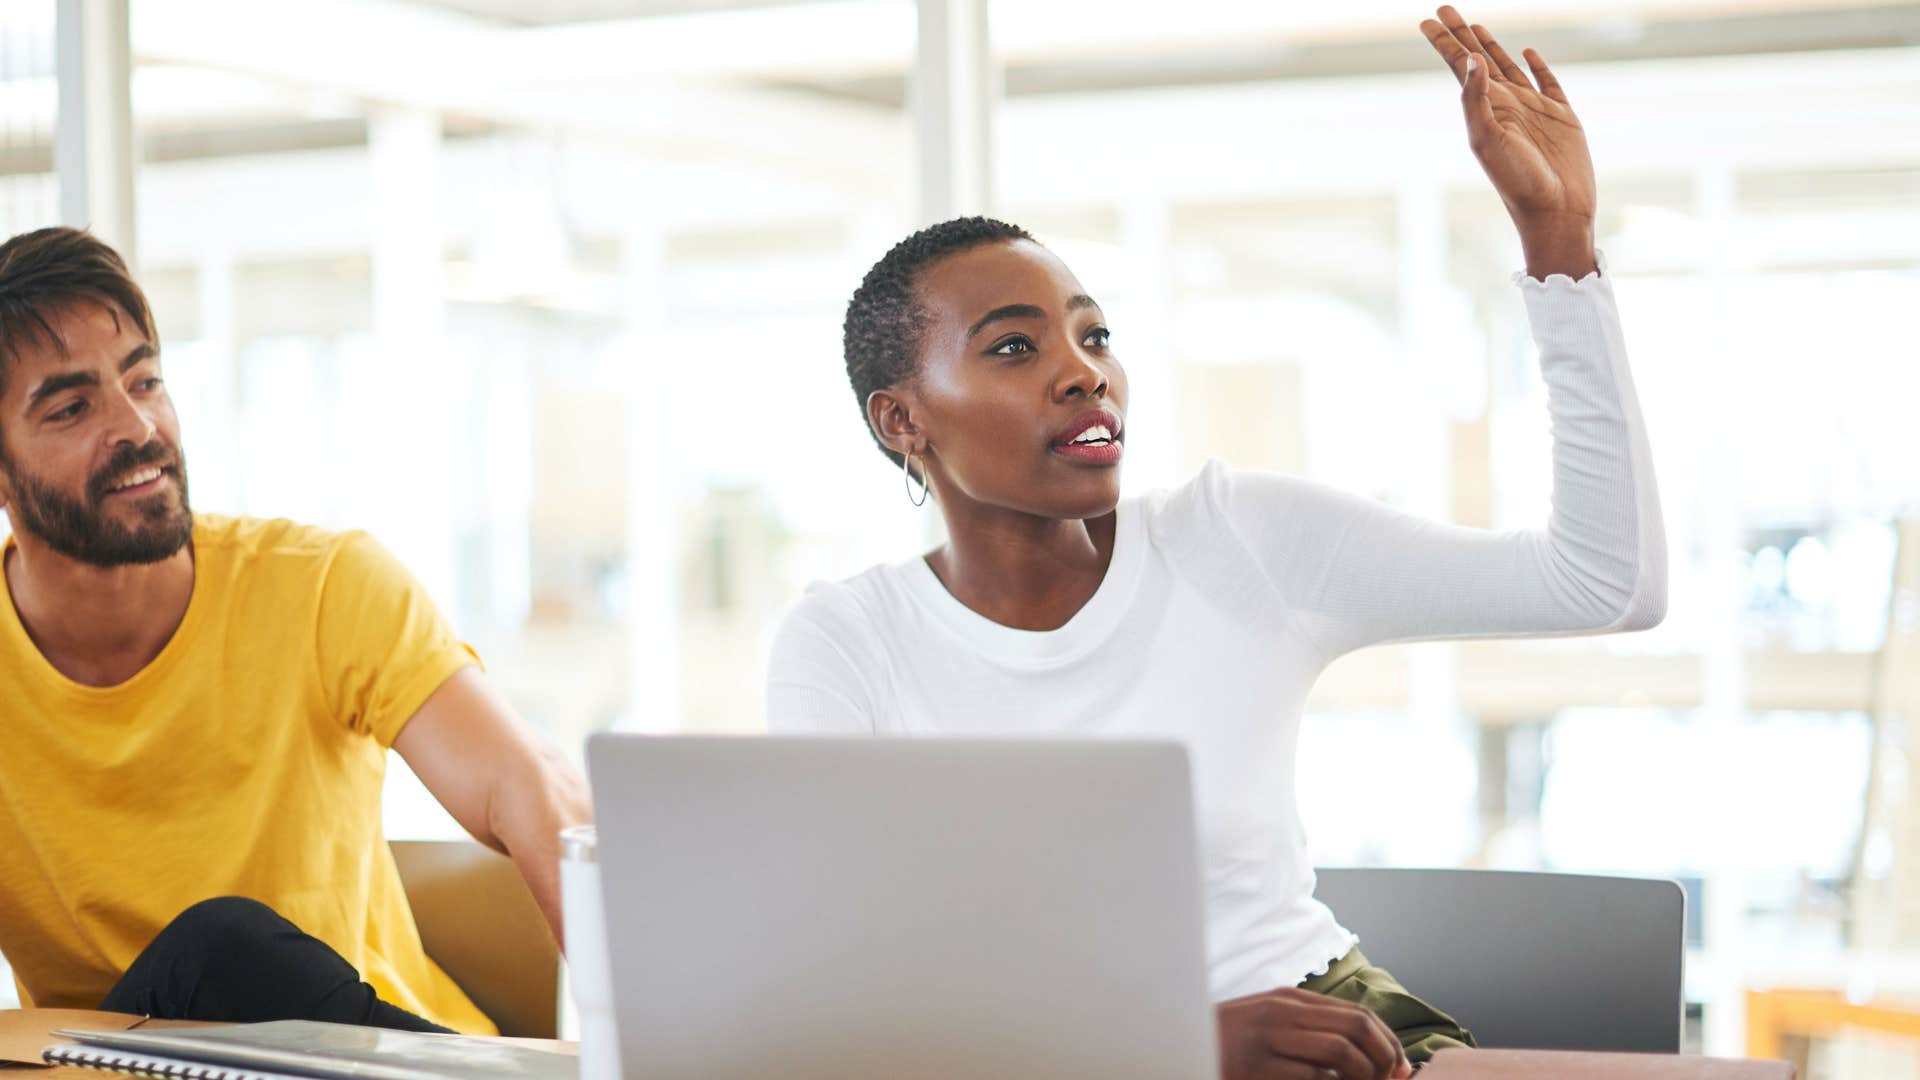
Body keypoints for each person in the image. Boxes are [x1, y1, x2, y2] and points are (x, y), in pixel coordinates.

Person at [767, 7, 1665, 1079]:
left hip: (1322, 1038)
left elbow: (1604, 582)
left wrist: (1558, 243)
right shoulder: (845, 641)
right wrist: (1172, 1048)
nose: (1084, 372)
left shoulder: (1237, 540)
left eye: (1094, 335)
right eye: (1014, 347)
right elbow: (848, 985)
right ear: (902, 421)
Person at [0, 226, 589, 1034]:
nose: (137, 426)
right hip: (125, 1067)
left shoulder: (321, 586)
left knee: (222, 951)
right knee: (213, 954)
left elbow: (522, 784)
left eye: (145, 380)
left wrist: (642, 1035)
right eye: (72, 408)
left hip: (371, 1062)